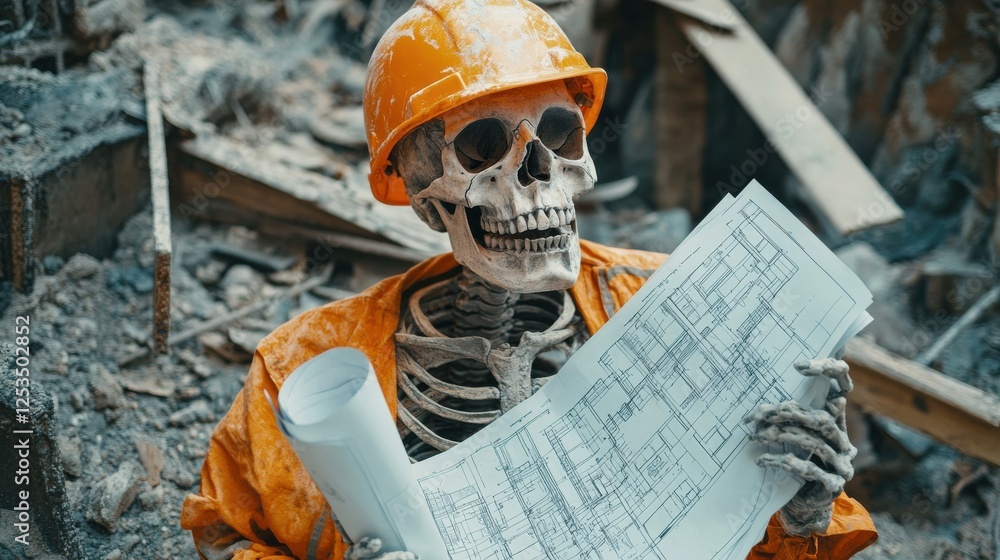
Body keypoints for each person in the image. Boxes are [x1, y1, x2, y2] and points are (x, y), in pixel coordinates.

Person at [181, 1, 878, 558]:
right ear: (425, 197)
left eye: (559, 137)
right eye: (482, 148)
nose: (538, 173)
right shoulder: (300, 372)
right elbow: (225, 532)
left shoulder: (676, 310)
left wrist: (800, 515)